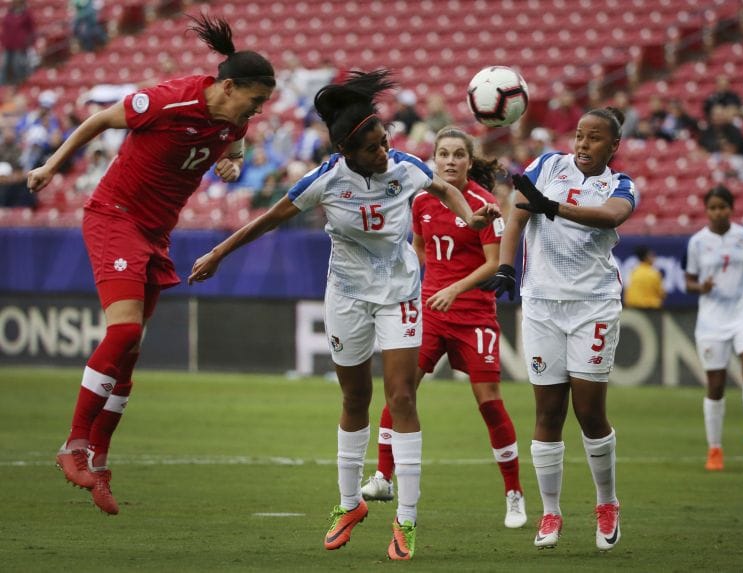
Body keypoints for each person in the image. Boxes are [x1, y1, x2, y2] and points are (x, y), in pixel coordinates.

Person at [187, 70, 500, 561]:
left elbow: (444, 189)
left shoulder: (404, 167)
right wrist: (218, 254)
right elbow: (266, 221)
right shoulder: (326, 181)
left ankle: (407, 520)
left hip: (399, 293)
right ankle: (350, 504)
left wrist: (468, 216)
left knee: (402, 396)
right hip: (347, 297)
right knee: (355, 397)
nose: (385, 151)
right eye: (375, 146)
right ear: (349, 152)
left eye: (385, 140)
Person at [26, 14, 275, 515]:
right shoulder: (168, 99)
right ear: (229, 87)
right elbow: (99, 121)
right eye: (256, 99)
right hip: (114, 216)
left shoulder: (235, 118)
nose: (259, 109)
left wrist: (236, 158)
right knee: (121, 335)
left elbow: (239, 136)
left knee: (131, 350)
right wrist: (52, 166)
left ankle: (98, 461)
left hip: (156, 235)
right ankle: (73, 446)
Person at [482, 106, 637, 551]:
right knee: (547, 412)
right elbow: (518, 214)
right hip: (542, 305)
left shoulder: (621, 186)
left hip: (593, 306)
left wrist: (553, 205)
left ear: (613, 146)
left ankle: (607, 502)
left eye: (594, 139)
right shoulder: (549, 165)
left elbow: (610, 217)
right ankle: (550, 513)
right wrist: (508, 267)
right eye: (580, 136)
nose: (583, 145)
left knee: (589, 413)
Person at [360, 126, 526, 529]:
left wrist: (453, 288)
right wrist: (422, 283)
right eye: (443, 154)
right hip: (431, 309)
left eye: (458, 154)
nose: (450, 161)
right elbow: (419, 247)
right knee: (401, 387)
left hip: (474, 313)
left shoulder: (485, 205)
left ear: (470, 161)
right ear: (434, 159)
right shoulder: (422, 201)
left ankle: (514, 494)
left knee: (488, 401)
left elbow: (494, 263)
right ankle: (383, 476)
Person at [684, 185, 743, 472]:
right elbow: (688, 282)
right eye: (712, 207)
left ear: (731, 208)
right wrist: (702, 286)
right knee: (716, 384)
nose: (718, 212)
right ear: (706, 210)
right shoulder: (698, 242)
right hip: (712, 321)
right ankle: (715, 449)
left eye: (722, 206)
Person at [0, 0, 35, 85]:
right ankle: (2, 88)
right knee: (4, 66)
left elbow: (32, 30)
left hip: (20, 46)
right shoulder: (9, 13)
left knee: (17, 66)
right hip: (8, 45)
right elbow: (5, 28)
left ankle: (18, 86)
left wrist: (29, 43)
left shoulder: (26, 14)